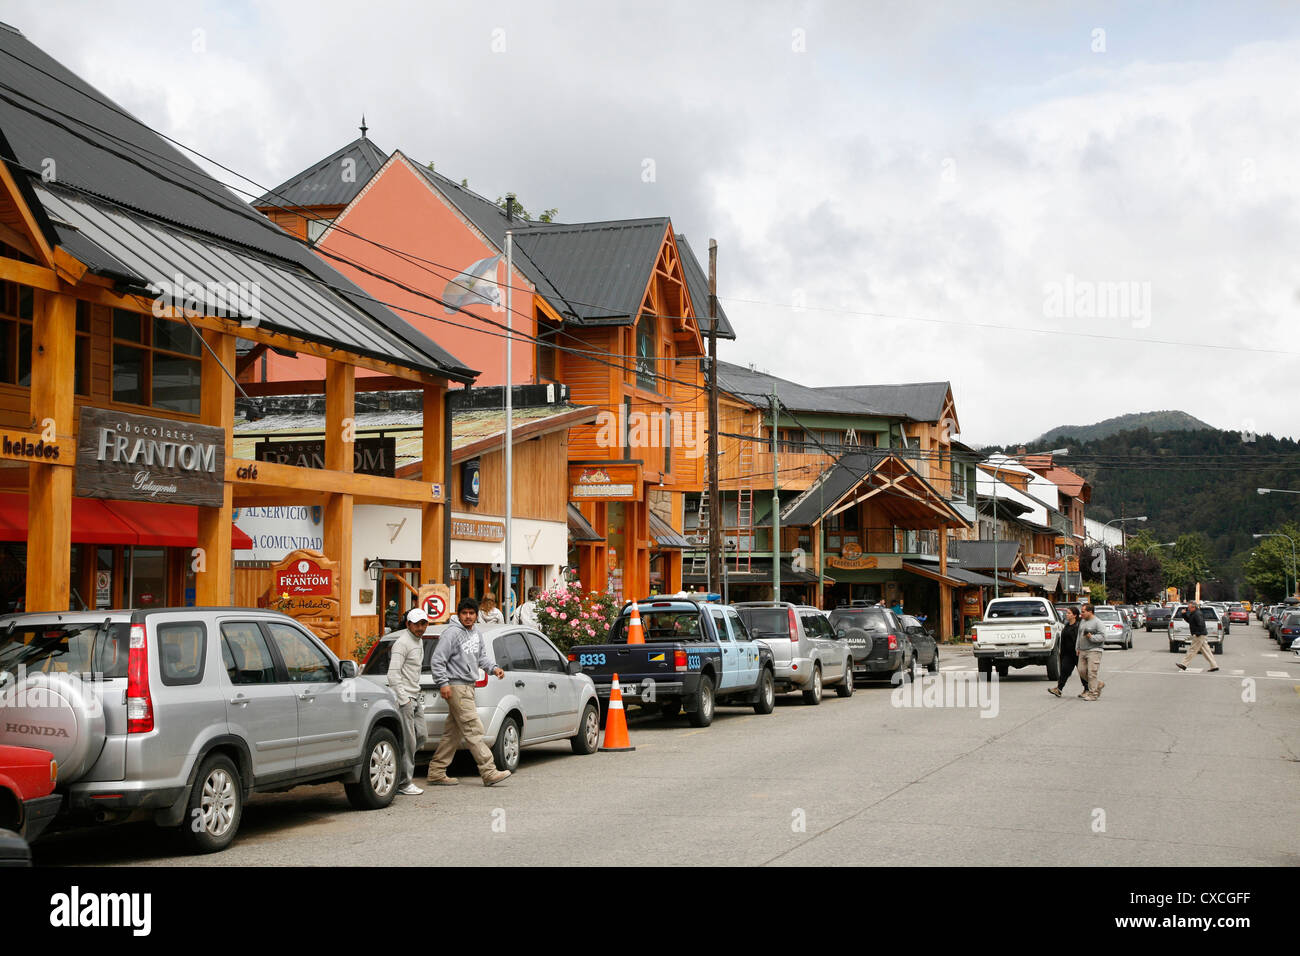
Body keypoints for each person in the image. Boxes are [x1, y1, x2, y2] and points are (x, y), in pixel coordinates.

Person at [426, 597, 511, 787]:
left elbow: (481, 657)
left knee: (453, 733)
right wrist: (443, 683)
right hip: (457, 686)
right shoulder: (452, 634)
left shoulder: (476, 633)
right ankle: (488, 771)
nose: (468, 617)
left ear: (476, 614)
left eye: (471, 613)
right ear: (458, 614)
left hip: (469, 686)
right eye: (464, 613)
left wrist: (494, 668)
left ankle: (436, 771)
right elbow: (438, 660)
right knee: (473, 729)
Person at [387, 608, 433, 796]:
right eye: (417, 624)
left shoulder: (418, 641)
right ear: (408, 624)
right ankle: (404, 783)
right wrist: (403, 698)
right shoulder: (402, 643)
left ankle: (398, 772)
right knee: (409, 742)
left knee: (421, 736)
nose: (420, 628)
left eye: (424, 624)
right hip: (405, 699)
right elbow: (392, 674)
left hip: (414, 696)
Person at [1048, 606, 1083, 698]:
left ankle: (1088, 689)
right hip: (1067, 654)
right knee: (1064, 671)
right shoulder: (1067, 625)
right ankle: (1059, 689)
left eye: (1069, 613)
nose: (1066, 614)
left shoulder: (1079, 625)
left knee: (1082, 672)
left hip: (1077, 653)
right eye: (1066, 613)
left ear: (1074, 615)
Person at [1176, 601, 1219, 672]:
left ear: (1194, 607)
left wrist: (1197, 633)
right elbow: (1190, 621)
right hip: (1201, 634)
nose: (1188, 609)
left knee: (1192, 650)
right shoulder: (1194, 613)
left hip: (1199, 635)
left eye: (1189, 607)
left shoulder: (1197, 614)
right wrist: (1184, 614)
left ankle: (1184, 664)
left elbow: (1201, 624)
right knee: (1206, 651)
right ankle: (1214, 666)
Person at [1076, 603, 1106, 700]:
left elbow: (1103, 636)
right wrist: (1077, 647)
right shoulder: (1083, 621)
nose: (1081, 614)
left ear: (1090, 611)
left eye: (1083, 612)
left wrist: (1091, 637)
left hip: (1094, 650)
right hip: (1083, 650)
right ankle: (1098, 684)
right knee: (1081, 671)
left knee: (1092, 672)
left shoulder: (1098, 622)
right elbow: (1079, 635)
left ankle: (1093, 694)